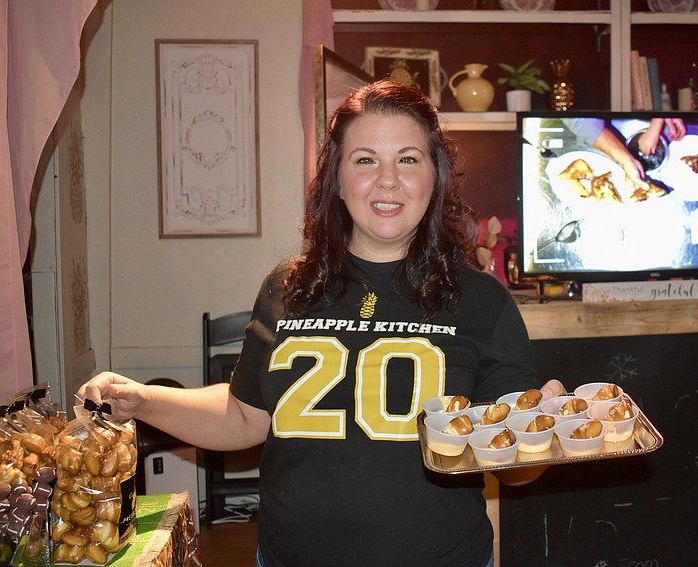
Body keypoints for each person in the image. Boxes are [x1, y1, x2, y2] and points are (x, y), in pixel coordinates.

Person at [80, 81, 564, 567]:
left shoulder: (482, 300)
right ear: (337, 177)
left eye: (409, 159)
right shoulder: (288, 287)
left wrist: (542, 434)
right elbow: (245, 415)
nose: (388, 180)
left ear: (435, 175)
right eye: (366, 159)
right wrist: (143, 399)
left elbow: (515, 470)